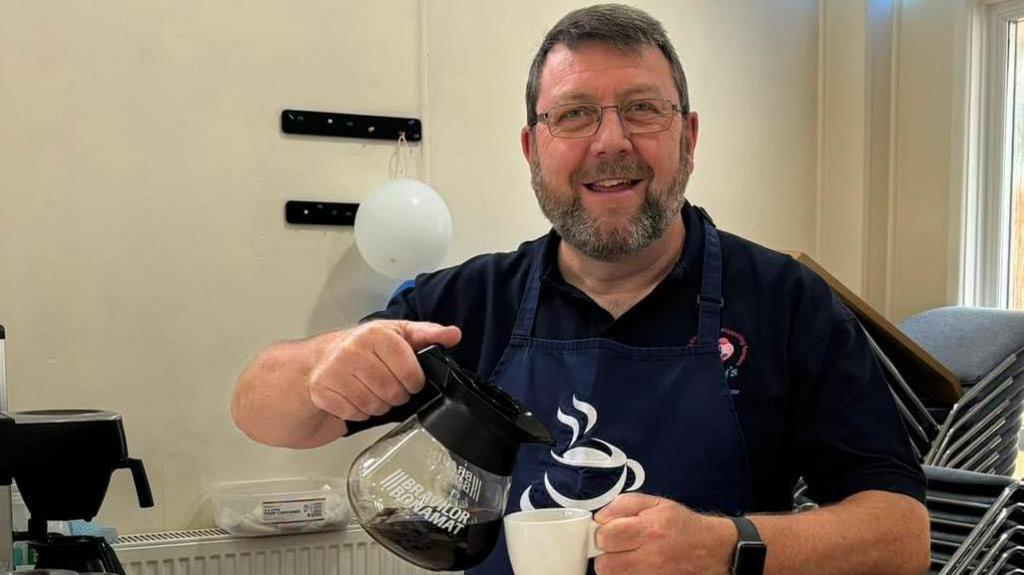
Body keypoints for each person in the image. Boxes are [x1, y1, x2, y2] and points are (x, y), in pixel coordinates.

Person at [232, 4, 931, 574]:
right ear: (533, 151)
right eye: (573, 115)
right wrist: (326, 360)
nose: (610, 142)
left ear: (688, 138)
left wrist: (729, 543)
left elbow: (902, 535)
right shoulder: (471, 305)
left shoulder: (785, 302)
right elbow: (260, 411)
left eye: (642, 110)